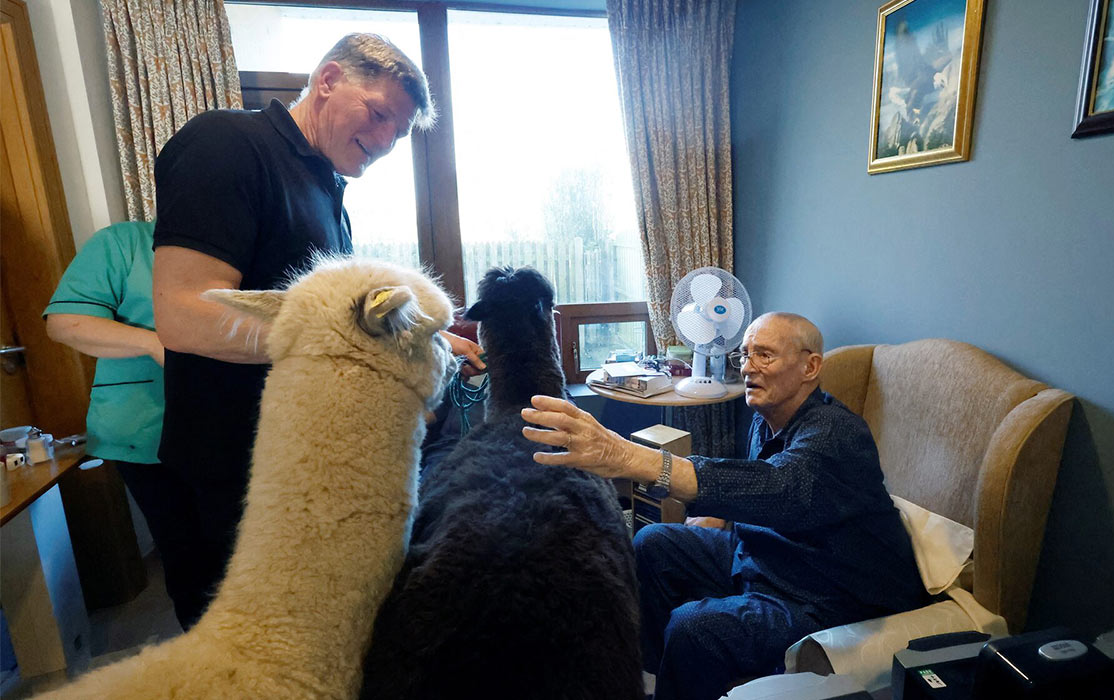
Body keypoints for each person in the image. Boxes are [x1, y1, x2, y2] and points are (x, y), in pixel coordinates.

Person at [151, 33, 481, 629]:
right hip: (234, 469)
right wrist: (363, 347)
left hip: (299, 465)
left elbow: (331, 318)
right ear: (327, 81)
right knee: (245, 650)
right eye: (378, 114)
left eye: (399, 132)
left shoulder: (327, 190)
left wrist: (420, 338)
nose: (386, 141)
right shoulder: (227, 144)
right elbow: (181, 313)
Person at [521, 312, 928, 700]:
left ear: (810, 367)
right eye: (744, 354)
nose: (748, 367)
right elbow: (759, 483)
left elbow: (784, 487)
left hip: (824, 594)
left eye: (764, 355)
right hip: (767, 555)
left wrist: (627, 456)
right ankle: (662, 675)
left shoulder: (837, 435)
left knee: (694, 627)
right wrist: (724, 511)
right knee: (652, 542)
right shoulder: (767, 417)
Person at [43, 221, 184, 599]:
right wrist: (153, 344)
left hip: (246, 426)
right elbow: (65, 323)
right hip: (146, 430)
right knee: (187, 556)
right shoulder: (123, 243)